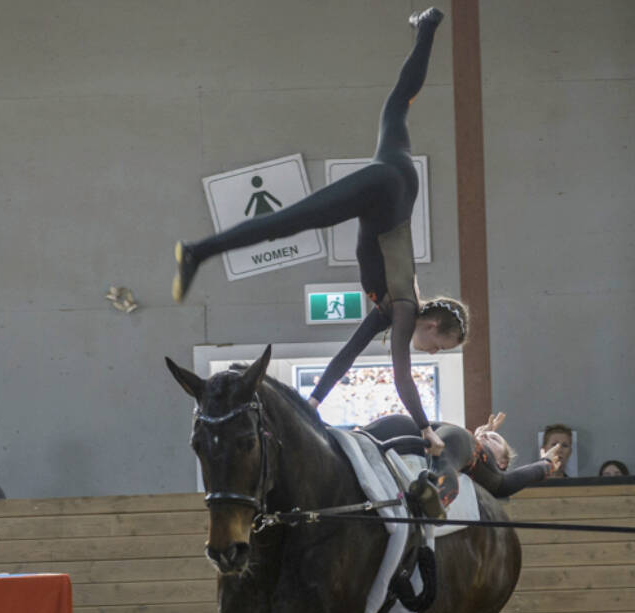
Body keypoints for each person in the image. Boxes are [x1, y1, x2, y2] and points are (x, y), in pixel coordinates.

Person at [173, 8, 456, 455]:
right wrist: (426, 429)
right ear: (434, 324)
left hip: (398, 180)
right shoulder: (403, 308)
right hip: (384, 198)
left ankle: (427, 26)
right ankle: (197, 252)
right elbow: (401, 376)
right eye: (441, 346)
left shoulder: (390, 310)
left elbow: (347, 356)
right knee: (290, 220)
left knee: (398, 103)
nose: (432, 352)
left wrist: (314, 401)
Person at [362, 414, 563, 504]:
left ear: (501, 463)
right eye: (485, 435)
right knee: (375, 431)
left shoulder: (491, 467)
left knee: (448, 455)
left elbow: (506, 484)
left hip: (444, 440)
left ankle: (437, 490)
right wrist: (483, 434)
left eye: (494, 439)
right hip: (413, 428)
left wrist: (545, 464)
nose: (486, 436)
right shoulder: (468, 441)